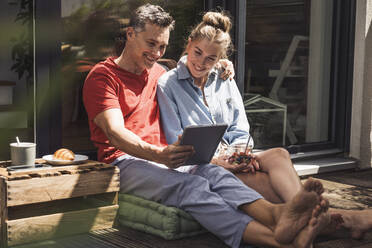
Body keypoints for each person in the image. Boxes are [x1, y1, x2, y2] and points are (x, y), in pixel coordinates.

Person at [83, 4, 331, 248]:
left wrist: (220, 63)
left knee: (213, 172)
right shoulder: (103, 76)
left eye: (162, 46)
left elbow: (191, 60)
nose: (156, 53)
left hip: (162, 159)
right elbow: (115, 134)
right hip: (123, 162)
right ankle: (278, 241)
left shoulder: (157, 71)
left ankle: (277, 217)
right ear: (130, 34)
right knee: (192, 186)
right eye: (151, 43)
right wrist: (158, 154)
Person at [156, 10, 372, 242]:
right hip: (204, 166)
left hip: (234, 156)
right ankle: (342, 219)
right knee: (264, 182)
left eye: (211, 58)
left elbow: (240, 126)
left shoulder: (223, 77)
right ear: (188, 44)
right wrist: (221, 162)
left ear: (220, 58)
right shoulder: (168, 85)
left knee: (279, 154)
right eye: (197, 52)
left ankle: (314, 217)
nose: (201, 62)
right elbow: (176, 141)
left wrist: (241, 156)